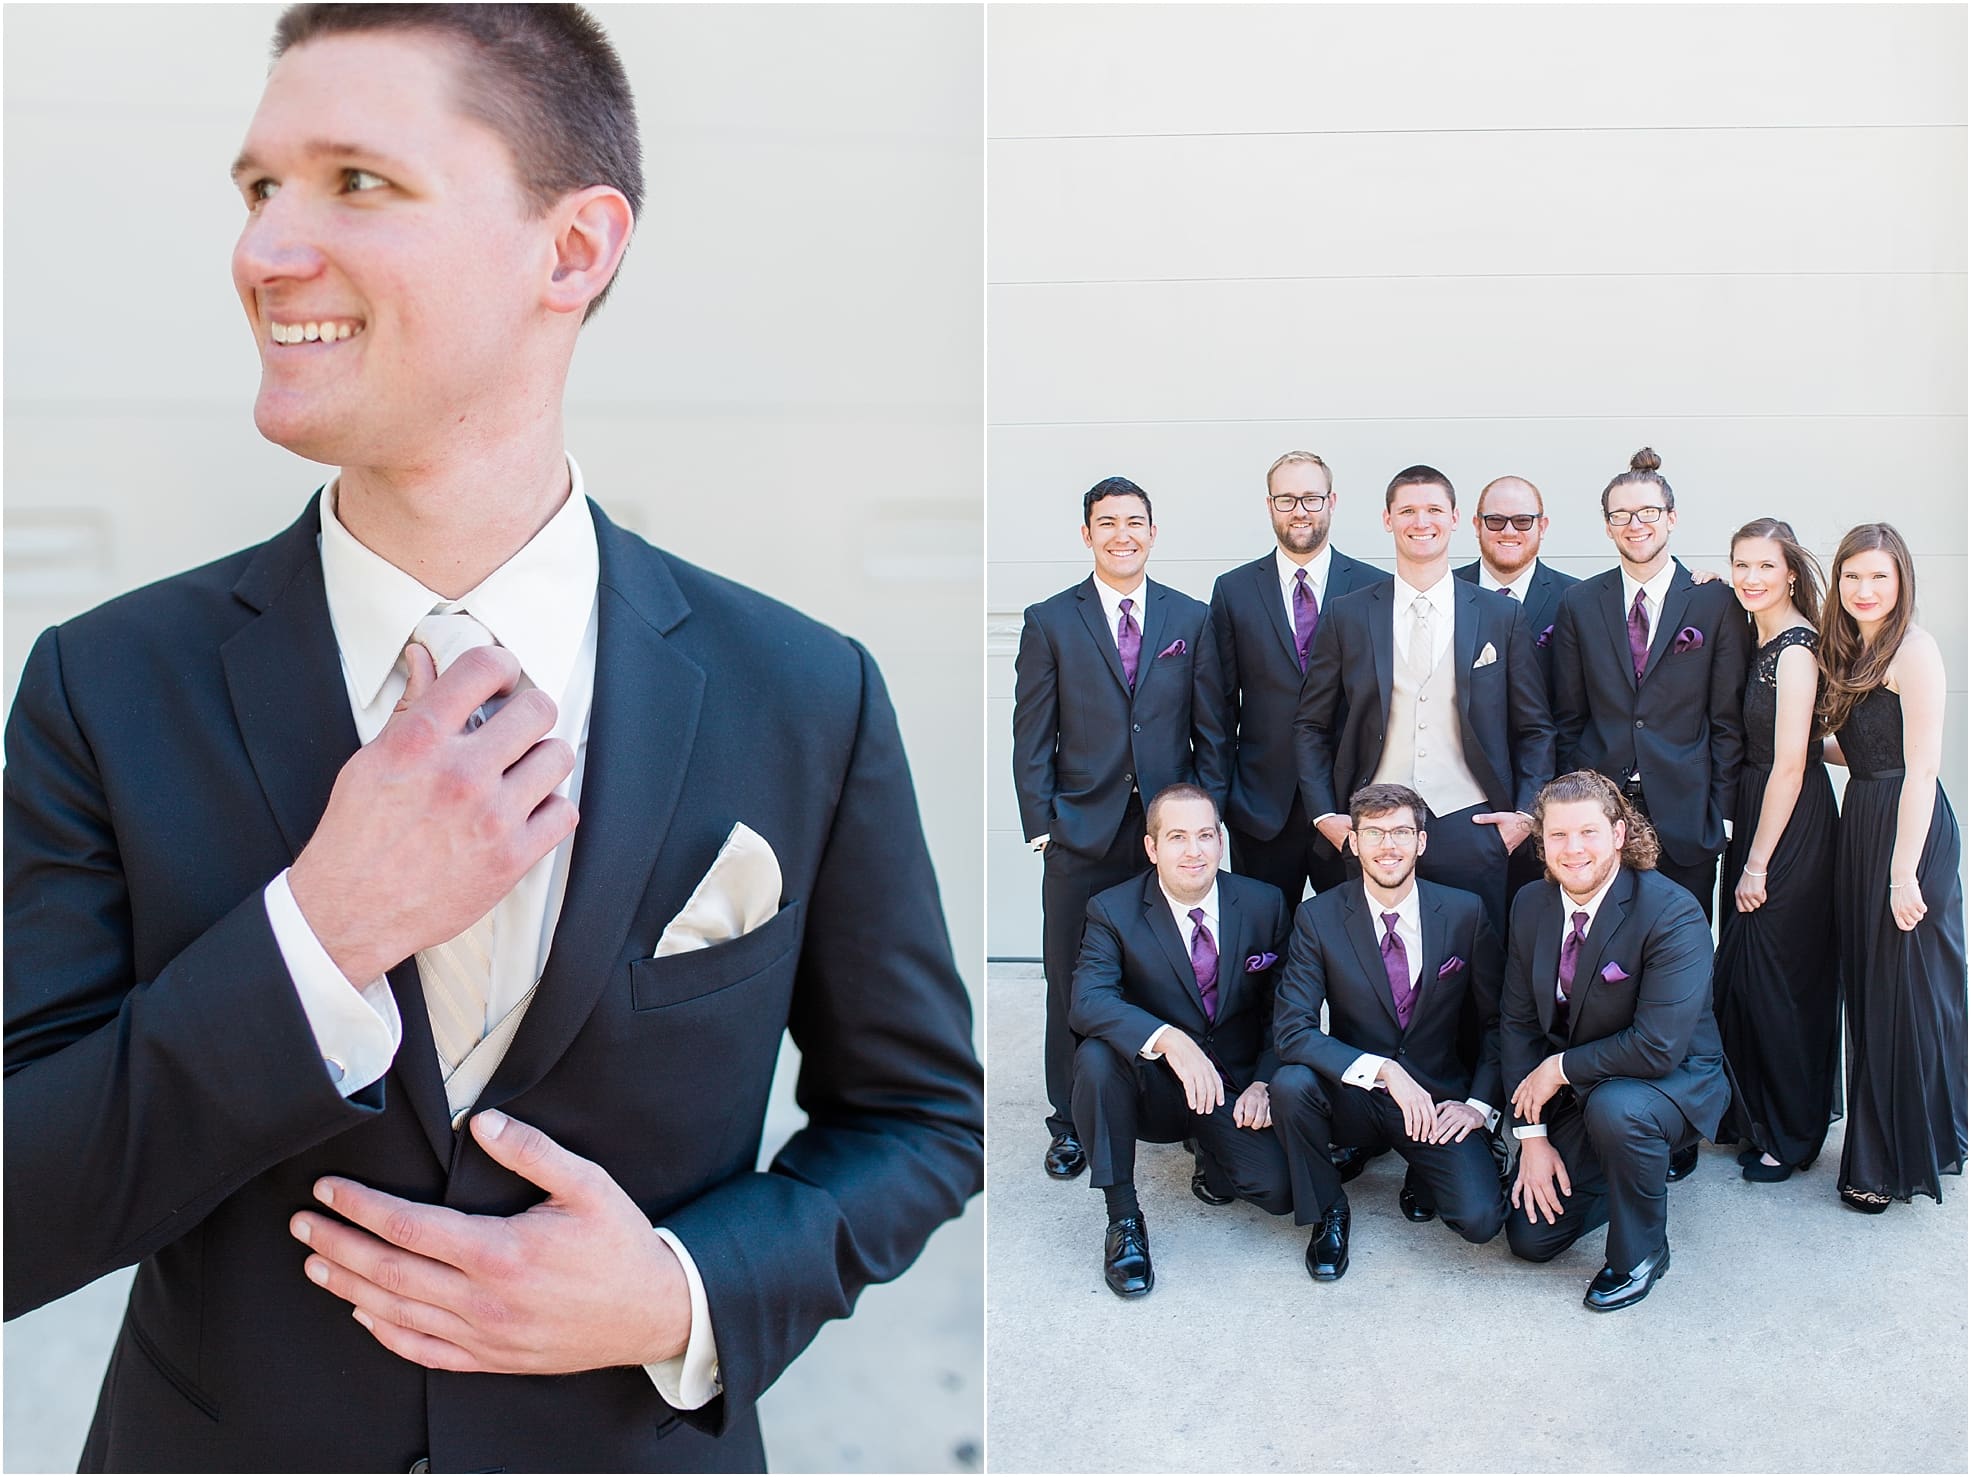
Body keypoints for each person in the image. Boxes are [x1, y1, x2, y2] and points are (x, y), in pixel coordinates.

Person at [1, 8, 983, 1471]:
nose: (265, 251)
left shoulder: (803, 691)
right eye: (259, 187)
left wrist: (682, 1291)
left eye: (357, 182)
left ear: (573, 251)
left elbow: (916, 1123)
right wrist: (316, 939)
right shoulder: (103, 686)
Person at [1012, 477, 1228, 1182]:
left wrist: (1208, 819)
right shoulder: (1049, 620)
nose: (1122, 534)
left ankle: (1190, 1112)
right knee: (1068, 977)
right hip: (1082, 831)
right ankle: (1069, 1119)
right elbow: (1031, 734)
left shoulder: (1189, 619)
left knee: (1179, 971)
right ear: (1086, 535)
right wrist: (1042, 825)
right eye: (1107, 523)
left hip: (1170, 837)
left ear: (1153, 532)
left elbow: (1211, 730)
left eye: (1134, 521)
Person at [1500, 772, 1728, 1311]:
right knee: (1529, 1240)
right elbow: (1514, 1022)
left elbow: (1657, 1047)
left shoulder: (1670, 912)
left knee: (1617, 1108)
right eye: (1557, 835)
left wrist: (1556, 1070)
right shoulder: (1531, 905)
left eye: (1588, 832)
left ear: (1620, 834)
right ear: (1542, 842)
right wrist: (1531, 1138)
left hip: (1667, 1082)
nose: (1573, 849)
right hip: (1588, 1088)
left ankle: (1642, 1252)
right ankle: (1619, 1173)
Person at [1294, 464, 1553, 937]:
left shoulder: (1500, 616)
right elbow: (1311, 724)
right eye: (1408, 510)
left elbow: (1535, 728)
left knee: (1479, 974)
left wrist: (1522, 817)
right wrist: (1326, 815)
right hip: (1374, 828)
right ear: (1387, 519)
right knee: (1377, 968)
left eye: (1433, 509)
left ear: (1456, 519)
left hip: (1474, 824)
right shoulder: (1347, 615)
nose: (1421, 522)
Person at [1269, 783, 1509, 1282]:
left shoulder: (1464, 913)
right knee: (1291, 1085)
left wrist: (1480, 1107)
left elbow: (1497, 1023)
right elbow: (1292, 1030)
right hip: (1352, 1095)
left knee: (1481, 1221)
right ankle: (1329, 1211)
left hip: (1436, 1098)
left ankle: (1425, 1166)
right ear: (1353, 843)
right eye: (1373, 833)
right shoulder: (1319, 916)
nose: (1388, 845)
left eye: (1401, 831)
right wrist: (1382, 1071)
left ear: (1422, 842)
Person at [1066, 785, 1293, 1297]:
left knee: (1278, 1192)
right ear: (1152, 848)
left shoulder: (1264, 904)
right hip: (1155, 1088)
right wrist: (1169, 1039)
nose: (1193, 851)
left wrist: (1265, 1081)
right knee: (1097, 1056)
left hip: (1233, 1089)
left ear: (1220, 842)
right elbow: (1088, 1001)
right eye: (1177, 837)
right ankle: (1123, 1218)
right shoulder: (1113, 910)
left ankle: (1211, 1153)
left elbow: (1284, 1009)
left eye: (1205, 836)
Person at [1817, 523, 1967, 1213]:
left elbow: (1922, 766)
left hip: (1908, 832)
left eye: (1878, 576)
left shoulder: (1914, 649)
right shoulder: (1852, 647)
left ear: (1901, 578)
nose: (1864, 589)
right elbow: (1868, 748)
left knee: (1909, 991)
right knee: (1872, 989)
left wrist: (1902, 872)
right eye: (1851, 576)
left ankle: (1896, 1158)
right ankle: (1904, 1140)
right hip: (1865, 821)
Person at [1550, 448, 1750, 933]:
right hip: (1600, 814)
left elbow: (1727, 720)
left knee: (1683, 944)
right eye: (1621, 515)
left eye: (1648, 513)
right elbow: (1568, 717)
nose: (1634, 524)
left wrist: (1720, 817)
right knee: (1603, 949)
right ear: (1607, 526)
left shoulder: (1715, 602)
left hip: (1686, 815)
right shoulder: (1579, 603)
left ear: (1671, 518)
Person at [1712, 519, 1839, 1182]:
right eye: (1740, 565)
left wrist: (1757, 861)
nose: (1751, 577)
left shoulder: (1795, 649)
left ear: (1790, 571)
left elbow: (1792, 763)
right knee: (1746, 976)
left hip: (1788, 824)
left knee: (1777, 979)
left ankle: (1791, 1135)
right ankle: (1751, 1111)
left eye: (1765, 565)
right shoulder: (1752, 631)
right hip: (1759, 810)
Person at [1211, 451, 1388, 906]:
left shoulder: (1375, 588)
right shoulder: (1233, 590)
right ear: (1270, 505)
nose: (1300, 511)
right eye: (1286, 499)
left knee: (1352, 943)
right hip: (1261, 806)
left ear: (1332, 502)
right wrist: (1222, 798)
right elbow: (1218, 706)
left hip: (1352, 803)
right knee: (1261, 949)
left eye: (1311, 498)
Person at [1455, 474, 1579, 912]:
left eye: (1523, 521)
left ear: (1543, 526)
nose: (1509, 531)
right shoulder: (1442, 594)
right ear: (1475, 525)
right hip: (1462, 802)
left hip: (1551, 800)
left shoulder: (1577, 599)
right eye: (1496, 520)